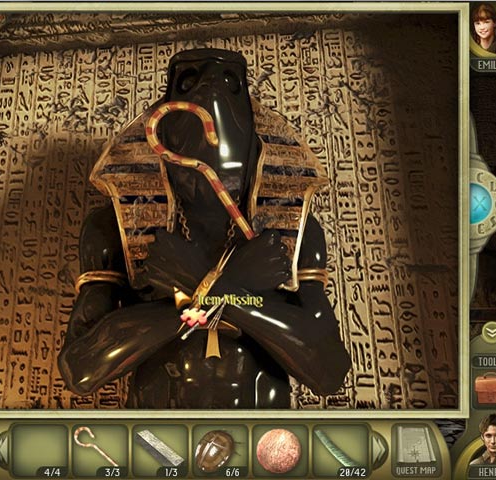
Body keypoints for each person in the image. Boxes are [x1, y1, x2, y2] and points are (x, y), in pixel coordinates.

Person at [58, 49, 351, 408]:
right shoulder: (110, 226)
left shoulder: (296, 228)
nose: (210, 86)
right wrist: (232, 290)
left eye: (230, 83)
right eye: (189, 81)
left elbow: (327, 371)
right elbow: (81, 369)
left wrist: (200, 287)